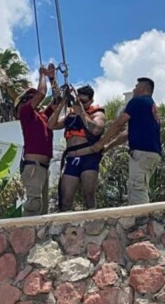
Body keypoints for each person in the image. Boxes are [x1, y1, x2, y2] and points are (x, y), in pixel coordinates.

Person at [71, 77, 161, 205]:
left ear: (142, 89)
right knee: (140, 187)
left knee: (137, 189)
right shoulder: (149, 107)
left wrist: (101, 143)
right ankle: (143, 221)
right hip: (151, 154)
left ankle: (142, 222)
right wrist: (108, 146)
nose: (134, 90)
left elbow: (118, 124)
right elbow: (127, 133)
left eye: (136, 87)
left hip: (142, 152)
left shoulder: (137, 102)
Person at [48, 85, 105, 211]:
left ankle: (93, 223)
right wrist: (62, 104)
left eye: (84, 102)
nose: (81, 104)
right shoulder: (70, 115)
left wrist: (82, 114)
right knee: (65, 199)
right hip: (72, 159)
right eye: (78, 101)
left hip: (88, 158)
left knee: (89, 195)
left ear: (91, 101)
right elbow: (51, 125)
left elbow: (96, 129)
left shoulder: (97, 113)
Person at [16, 64, 59, 216]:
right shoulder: (26, 112)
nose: (36, 101)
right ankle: (26, 236)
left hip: (42, 167)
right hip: (33, 167)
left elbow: (57, 101)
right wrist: (42, 74)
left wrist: (53, 78)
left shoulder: (43, 116)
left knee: (43, 208)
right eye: (31, 97)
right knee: (34, 204)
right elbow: (41, 93)